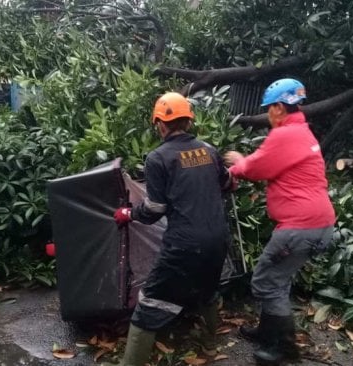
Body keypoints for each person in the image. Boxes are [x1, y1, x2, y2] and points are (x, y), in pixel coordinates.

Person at [108, 92, 235, 366]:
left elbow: (154, 210)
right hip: (218, 239)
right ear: (189, 122)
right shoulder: (210, 150)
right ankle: (211, 344)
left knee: (150, 302)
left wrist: (127, 213)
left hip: (184, 245)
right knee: (207, 288)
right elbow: (227, 184)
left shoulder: (158, 158)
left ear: (160, 125)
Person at [224, 78, 335, 365]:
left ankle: (284, 349)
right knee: (278, 278)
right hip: (319, 222)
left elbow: (255, 166)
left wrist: (236, 163)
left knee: (265, 281)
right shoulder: (302, 132)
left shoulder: (285, 136)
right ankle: (267, 332)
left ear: (277, 107)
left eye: (268, 109)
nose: (267, 115)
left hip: (301, 226)